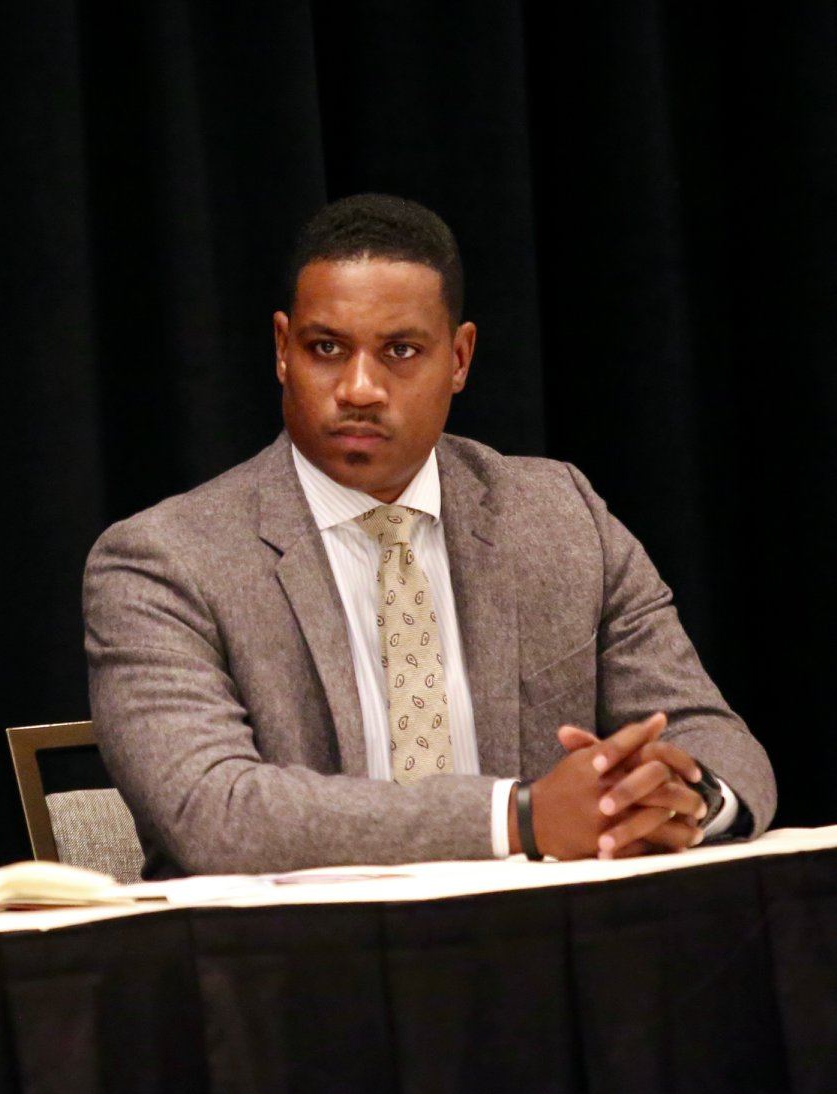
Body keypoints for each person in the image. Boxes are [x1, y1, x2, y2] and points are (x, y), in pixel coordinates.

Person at [83, 194, 774, 876]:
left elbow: (710, 735)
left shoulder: (561, 516)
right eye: (326, 348)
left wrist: (674, 799)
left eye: (400, 351)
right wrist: (520, 817)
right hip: (293, 969)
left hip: (544, 950)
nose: (358, 387)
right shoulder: (163, 560)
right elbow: (212, 813)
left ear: (460, 357)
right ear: (281, 351)